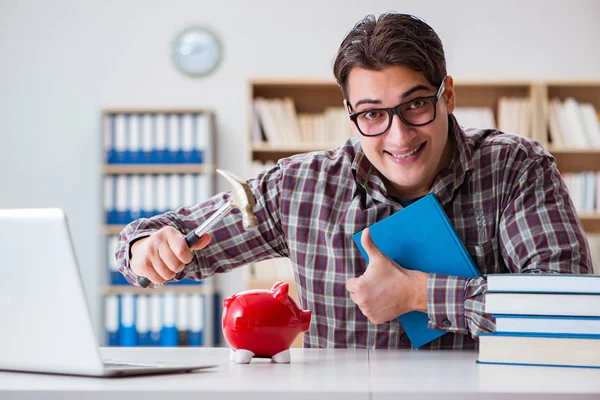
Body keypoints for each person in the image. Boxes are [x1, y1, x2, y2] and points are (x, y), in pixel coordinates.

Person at [116, 12, 592, 349]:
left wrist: (419, 294)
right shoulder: (299, 188)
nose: (398, 135)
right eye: (372, 114)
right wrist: (147, 249)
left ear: (447, 94)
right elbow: (145, 245)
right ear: (350, 116)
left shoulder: (515, 169)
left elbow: (568, 309)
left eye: (415, 105)